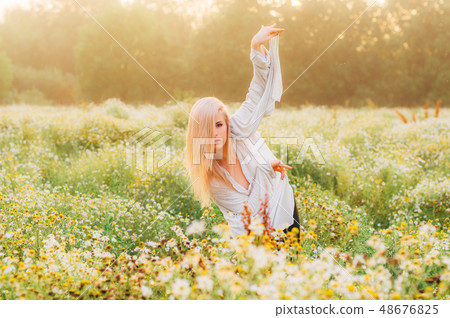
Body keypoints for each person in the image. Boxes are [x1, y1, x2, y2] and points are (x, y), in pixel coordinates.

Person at [184, 23, 300, 239]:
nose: (216, 133)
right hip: (253, 238)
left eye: (219, 125)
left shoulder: (238, 130)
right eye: (208, 129)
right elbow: (251, 212)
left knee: (296, 270)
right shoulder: (212, 178)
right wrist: (266, 169)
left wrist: (255, 46)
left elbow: (256, 91)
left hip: (284, 211)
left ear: (227, 124)